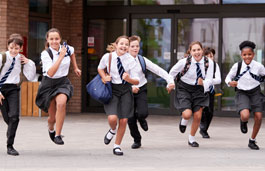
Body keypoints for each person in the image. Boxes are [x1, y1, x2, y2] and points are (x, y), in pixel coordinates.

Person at [127, 35, 175, 149]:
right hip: (127, 91)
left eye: (137, 46)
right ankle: (137, 140)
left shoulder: (142, 60)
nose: (135, 48)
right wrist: (130, 87)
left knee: (142, 112)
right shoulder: (122, 60)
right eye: (132, 46)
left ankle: (142, 118)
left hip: (141, 88)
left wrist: (170, 80)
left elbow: (157, 69)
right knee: (130, 118)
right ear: (128, 48)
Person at [35, 28, 81, 145]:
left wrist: (75, 67)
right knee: (52, 118)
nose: (54, 41)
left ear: (60, 39)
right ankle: (51, 128)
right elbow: (50, 73)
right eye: (51, 39)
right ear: (47, 40)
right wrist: (60, 57)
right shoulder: (46, 54)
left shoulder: (67, 48)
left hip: (62, 82)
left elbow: (72, 54)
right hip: (48, 84)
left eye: (56, 38)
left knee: (61, 103)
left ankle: (58, 135)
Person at [98, 35, 140, 156]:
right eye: (122, 43)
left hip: (126, 90)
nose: (124, 46)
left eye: (126, 44)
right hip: (112, 89)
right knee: (112, 118)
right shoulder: (108, 57)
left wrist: (129, 79)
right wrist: (104, 77)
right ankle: (112, 130)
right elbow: (100, 68)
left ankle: (117, 146)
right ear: (116, 45)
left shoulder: (131, 60)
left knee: (123, 120)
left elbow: (137, 81)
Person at [168, 41, 214, 147]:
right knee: (187, 114)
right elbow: (171, 73)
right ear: (190, 52)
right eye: (194, 50)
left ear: (202, 50)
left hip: (199, 89)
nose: (197, 52)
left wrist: (204, 83)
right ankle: (184, 120)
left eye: (198, 50)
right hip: (184, 88)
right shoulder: (184, 62)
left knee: (198, 115)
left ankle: (191, 138)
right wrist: (170, 84)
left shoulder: (209, 62)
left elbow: (210, 79)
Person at [0, 33, 36, 155]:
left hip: (13, 89)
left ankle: (10, 146)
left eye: (16, 48)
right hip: (0, 88)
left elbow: (30, 77)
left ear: (20, 48)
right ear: (8, 46)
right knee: (8, 118)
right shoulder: (2, 57)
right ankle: (11, 130)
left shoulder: (22, 60)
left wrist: (28, 63)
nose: (13, 50)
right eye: (11, 48)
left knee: (14, 117)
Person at [225, 40, 265, 150]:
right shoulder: (237, 66)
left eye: (249, 54)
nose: (247, 57)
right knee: (245, 115)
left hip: (255, 92)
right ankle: (243, 121)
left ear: (253, 54)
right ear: (241, 55)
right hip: (242, 92)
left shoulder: (258, 66)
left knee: (259, 116)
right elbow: (228, 78)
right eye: (245, 54)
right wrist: (230, 82)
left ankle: (252, 140)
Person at [199, 47, 221, 138]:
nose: (209, 58)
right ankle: (203, 129)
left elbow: (218, 80)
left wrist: (207, 81)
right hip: (199, 90)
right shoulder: (199, 65)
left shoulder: (215, 66)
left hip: (210, 91)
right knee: (201, 110)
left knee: (210, 112)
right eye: (207, 56)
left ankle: (204, 129)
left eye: (211, 56)